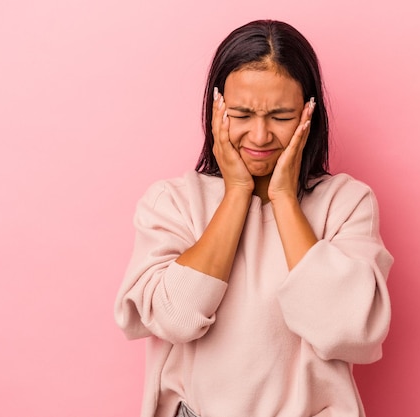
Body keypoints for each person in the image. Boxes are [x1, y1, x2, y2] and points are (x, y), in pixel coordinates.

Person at [115, 19, 393, 417]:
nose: (260, 137)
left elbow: (348, 329)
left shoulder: (345, 203)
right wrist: (236, 195)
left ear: (308, 113)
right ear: (217, 108)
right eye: (242, 114)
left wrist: (283, 198)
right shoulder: (173, 201)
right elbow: (173, 318)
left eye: (280, 116)